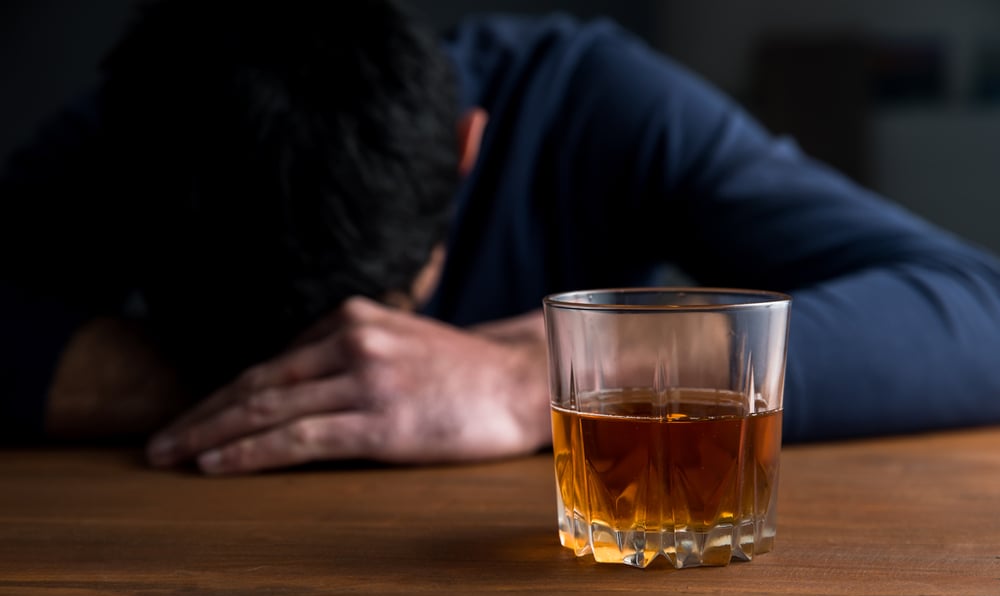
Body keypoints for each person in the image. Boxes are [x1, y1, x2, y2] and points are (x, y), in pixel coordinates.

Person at [3, 0, 1000, 475]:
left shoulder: (598, 101)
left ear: (467, 148)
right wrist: (233, 384)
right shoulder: (132, 130)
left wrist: (543, 376)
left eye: (380, 315)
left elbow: (977, 309)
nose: (357, 352)